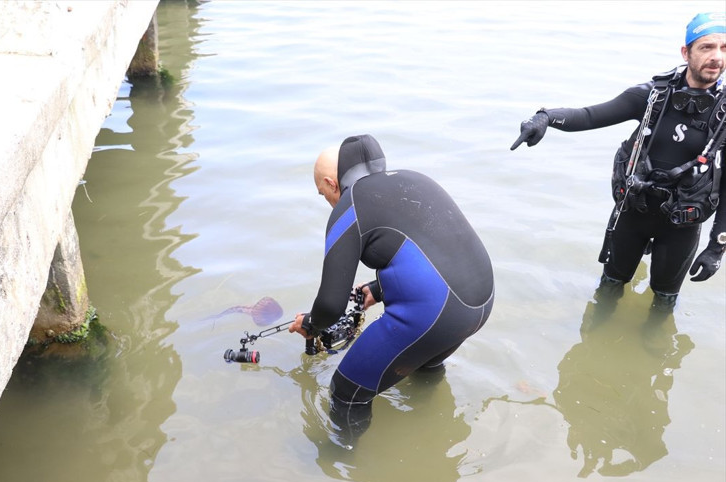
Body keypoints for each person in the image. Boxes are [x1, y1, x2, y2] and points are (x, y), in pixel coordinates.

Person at [510, 12, 726, 311]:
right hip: (632, 213)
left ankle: (653, 347)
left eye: (724, 48)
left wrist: (717, 247)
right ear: (686, 52)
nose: (716, 57)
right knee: (608, 291)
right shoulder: (652, 96)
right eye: (706, 47)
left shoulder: (723, 114)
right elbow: (589, 115)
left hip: (681, 226)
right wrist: (545, 117)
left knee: (664, 304)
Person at [289, 134, 494, 442]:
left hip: (436, 314)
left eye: (323, 194)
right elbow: (434, 253)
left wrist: (311, 323)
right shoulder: (416, 179)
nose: (329, 201)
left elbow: (330, 306)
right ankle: (431, 432)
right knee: (425, 361)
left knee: (346, 392)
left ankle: (339, 467)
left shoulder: (350, 204)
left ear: (333, 184)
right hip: (481, 302)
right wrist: (378, 289)